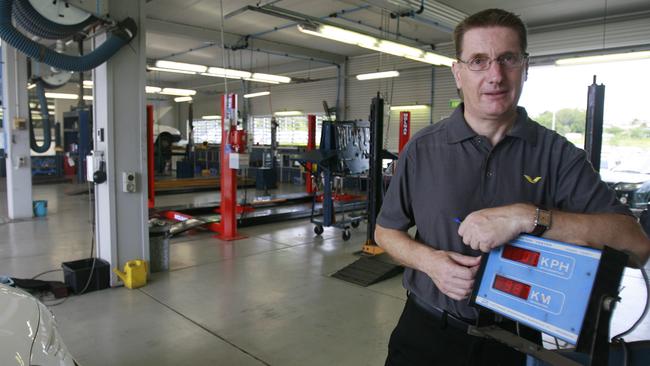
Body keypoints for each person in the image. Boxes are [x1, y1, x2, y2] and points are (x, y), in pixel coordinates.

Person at [375, 8, 650, 366]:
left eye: (508, 59)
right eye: (478, 60)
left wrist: (530, 217)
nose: (495, 75)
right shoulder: (422, 149)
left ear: (525, 67)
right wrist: (431, 263)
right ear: (458, 73)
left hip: (516, 343)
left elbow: (636, 245)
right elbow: (385, 232)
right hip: (427, 330)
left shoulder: (558, 156)